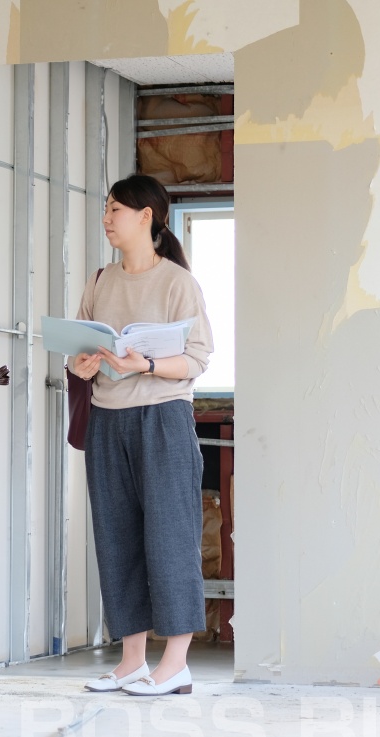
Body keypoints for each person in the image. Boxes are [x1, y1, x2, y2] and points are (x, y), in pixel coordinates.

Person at [70, 173, 214, 697]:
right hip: (107, 418)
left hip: (163, 419)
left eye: (115, 210)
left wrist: (147, 361)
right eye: (105, 210)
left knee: (170, 537)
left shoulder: (177, 282)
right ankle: (131, 660)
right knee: (116, 536)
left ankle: (175, 662)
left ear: (145, 217)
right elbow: (79, 343)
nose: (106, 219)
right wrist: (83, 362)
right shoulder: (101, 280)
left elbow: (196, 358)